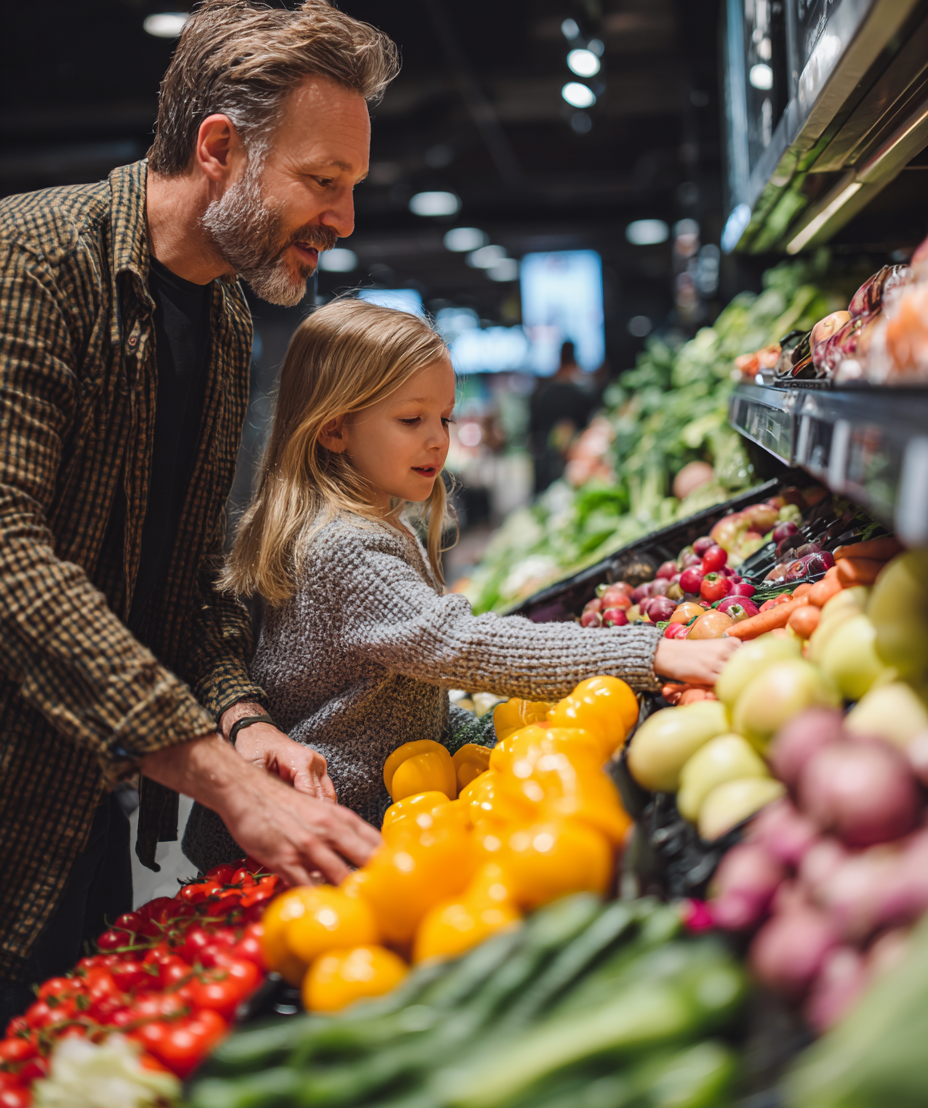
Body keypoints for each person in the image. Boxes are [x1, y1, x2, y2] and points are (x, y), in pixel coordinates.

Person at [0, 0, 399, 1024]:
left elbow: (182, 587)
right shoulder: (34, 266)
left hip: (84, 803)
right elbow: (10, 559)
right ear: (219, 146)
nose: (343, 220)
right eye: (323, 180)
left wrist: (244, 716)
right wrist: (223, 777)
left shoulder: (221, 312)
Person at [183, 300, 739, 867]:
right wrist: (649, 652)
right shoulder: (347, 547)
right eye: (411, 420)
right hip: (314, 838)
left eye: (444, 419)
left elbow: (387, 694)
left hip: (360, 808)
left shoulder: (360, 522)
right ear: (334, 428)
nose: (437, 439)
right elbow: (462, 645)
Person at [528, 341, 597, 493]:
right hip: (574, 465)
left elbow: (532, 431)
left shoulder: (542, 395)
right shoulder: (581, 395)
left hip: (548, 463)